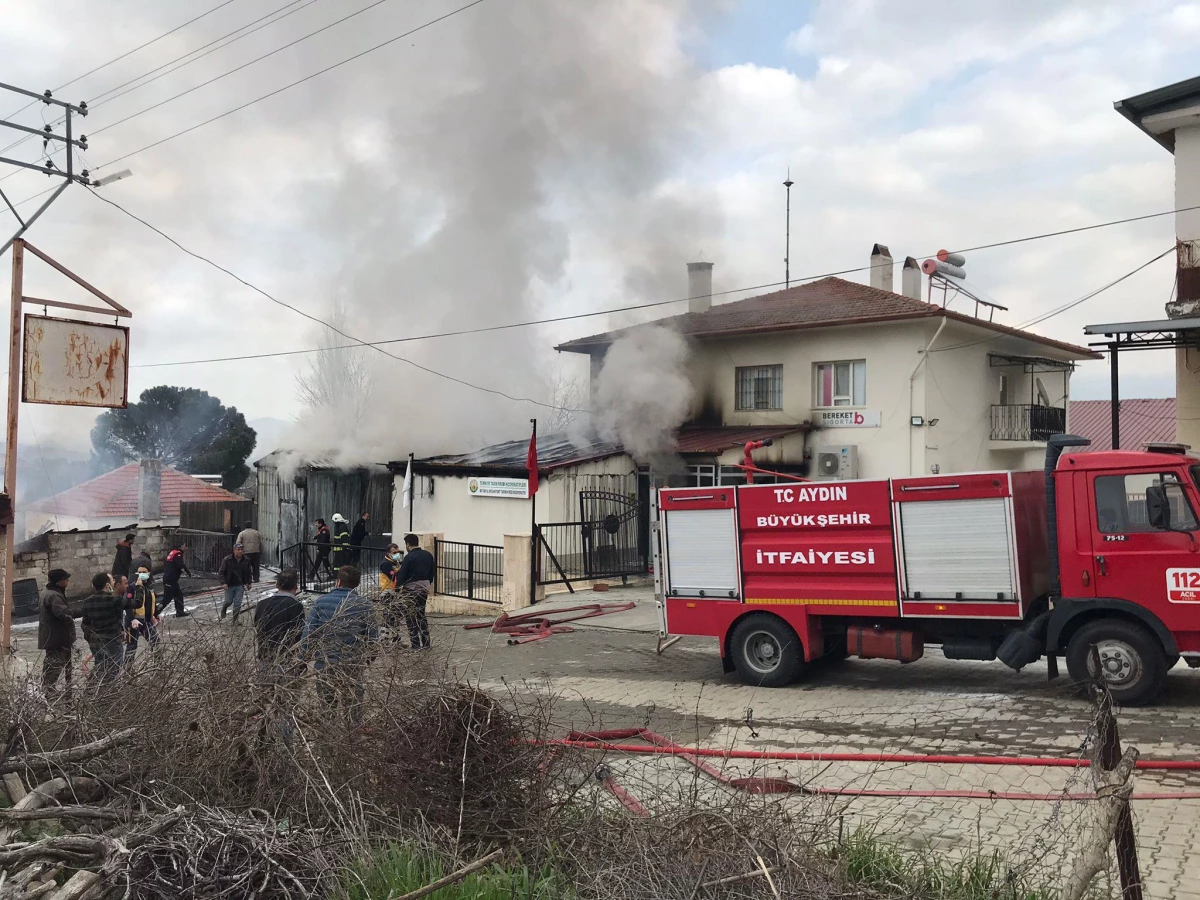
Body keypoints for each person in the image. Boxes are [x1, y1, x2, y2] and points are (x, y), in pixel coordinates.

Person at [301, 566, 378, 723]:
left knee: (327, 707)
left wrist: (302, 659)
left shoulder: (321, 602)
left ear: (338, 582)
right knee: (353, 708)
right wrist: (368, 659)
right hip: (352, 664)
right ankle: (352, 739)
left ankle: (327, 737)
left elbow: (309, 634)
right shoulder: (365, 605)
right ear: (356, 584)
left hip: (325, 664)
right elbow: (372, 638)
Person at [81, 572, 130, 683]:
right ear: (107, 585)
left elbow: (85, 624)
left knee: (100, 668)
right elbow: (134, 603)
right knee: (113, 670)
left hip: (96, 642)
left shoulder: (87, 601)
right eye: (112, 580)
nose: (114, 582)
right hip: (112, 641)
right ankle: (105, 693)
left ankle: (93, 691)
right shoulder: (113, 600)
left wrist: (90, 639)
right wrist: (139, 587)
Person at [254, 569, 306, 671]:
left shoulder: (261, 604)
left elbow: (256, 627)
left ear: (276, 585)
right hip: (284, 659)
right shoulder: (295, 606)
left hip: (264, 656)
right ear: (296, 586)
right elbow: (297, 634)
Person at [38, 569, 75, 696]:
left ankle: (48, 691)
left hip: (53, 637)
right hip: (56, 638)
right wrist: (80, 612)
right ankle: (48, 694)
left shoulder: (49, 592)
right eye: (65, 579)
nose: (68, 581)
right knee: (54, 667)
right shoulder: (54, 595)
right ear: (59, 581)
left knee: (52, 666)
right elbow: (63, 613)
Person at [394, 534, 435, 650]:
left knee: (410, 617)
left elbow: (402, 574)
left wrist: (397, 588)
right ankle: (426, 643)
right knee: (421, 614)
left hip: (410, 590)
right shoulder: (428, 555)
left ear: (408, 544)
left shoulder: (409, 557)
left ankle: (415, 644)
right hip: (424, 588)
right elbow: (432, 572)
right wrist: (427, 583)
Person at [124, 566, 158, 668]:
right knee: (132, 646)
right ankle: (128, 669)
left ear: (148, 573)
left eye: (144, 572)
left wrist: (155, 614)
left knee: (155, 642)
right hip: (134, 621)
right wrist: (132, 619)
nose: (141, 574)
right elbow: (128, 605)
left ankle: (158, 664)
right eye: (139, 572)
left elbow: (151, 601)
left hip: (147, 620)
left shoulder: (149, 587)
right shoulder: (132, 588)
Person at [219, 544, 254, 622]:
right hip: (229, 584)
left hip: (240, 585)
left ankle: (235, 620)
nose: (240, 551)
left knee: (237, 603)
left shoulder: (246, 560)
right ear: (234, 550)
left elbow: (249, 572)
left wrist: (249, 582)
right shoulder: (227, 560)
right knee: (228, 601)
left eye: (241, 550)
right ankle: (224, 608)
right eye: (238, 549)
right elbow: (221, 572)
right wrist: (223, 583)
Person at [378, 543, 403, 642]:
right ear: (388, 553)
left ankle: (395, 638)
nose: (397, 554)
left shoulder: (395, 562)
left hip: (394, 592)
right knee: (389, 616)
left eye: (398, 552)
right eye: (394, 552)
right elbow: (394, 576)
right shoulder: (386, 564)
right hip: (387, 593)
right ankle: (384, 639)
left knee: (394, 616)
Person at [162, 544, 192, 618]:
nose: (185, 548)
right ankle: (155, 612)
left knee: (179, 595)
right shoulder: (178, 554)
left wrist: (188, 572)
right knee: (167, 599)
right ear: (180, 546)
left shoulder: (173, 552)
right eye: (185, 546)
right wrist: (186, 573)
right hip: (170, 580)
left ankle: (180, 611)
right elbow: (180, 565)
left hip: (171, 579)